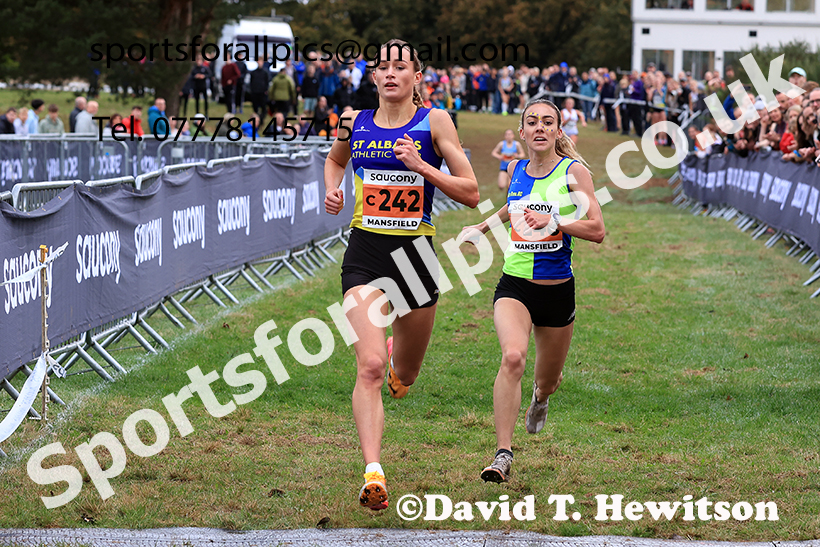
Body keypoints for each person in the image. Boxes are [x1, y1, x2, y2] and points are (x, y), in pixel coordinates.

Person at [323, 38, 479, 512]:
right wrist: (332, 190)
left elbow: (471, 192)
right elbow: (335, 160)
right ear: (373, 76)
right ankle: (373, 472)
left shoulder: (435, 122)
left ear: (417, 77)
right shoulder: (354, 121)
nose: (391, 74)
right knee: (368, 367)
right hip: (365, 255)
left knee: (402, 375)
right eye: (383, 67)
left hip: (415, 261)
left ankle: (398, 363)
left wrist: (420, 166)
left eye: (400, 67)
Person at [459, 98, 605, 482]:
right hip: (515, 284)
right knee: (512, 357)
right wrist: (481, 228)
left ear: (558, 131)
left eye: (548, 122)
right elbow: (512, 207)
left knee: (548, 380)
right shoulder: (514, 168)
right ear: (521, 132)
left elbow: (597, 230)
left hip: (557, 291)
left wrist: (555, 221)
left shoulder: (573, 173)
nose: (540, 127)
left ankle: (540, 399)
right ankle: (502, 454)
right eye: (533, 122)